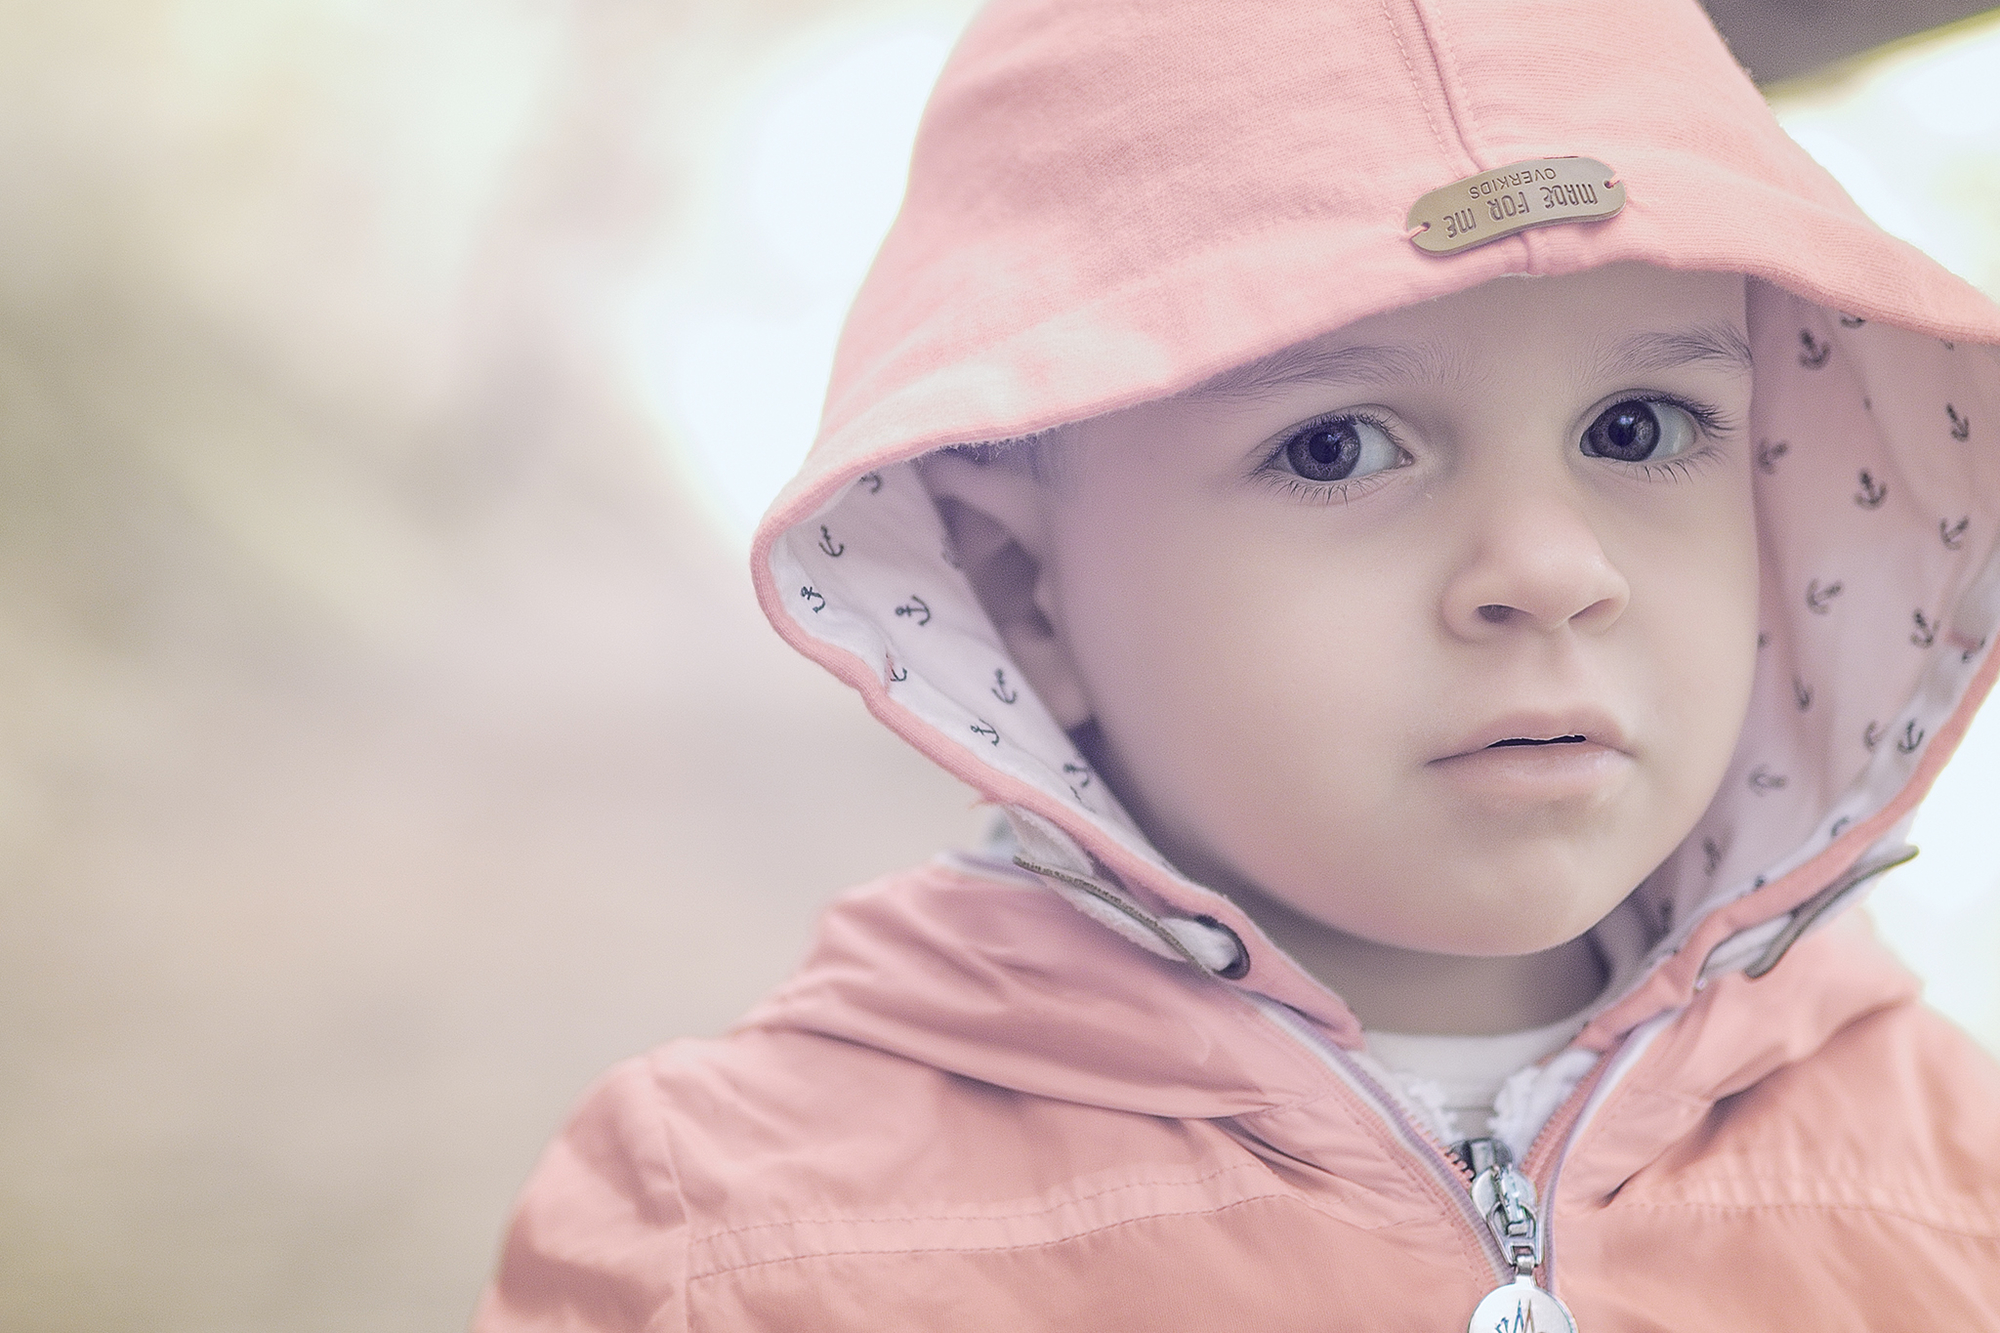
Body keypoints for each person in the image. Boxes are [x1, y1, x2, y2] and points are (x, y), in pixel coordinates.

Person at [476, 0, 2000, 1326]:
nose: (1551, 568)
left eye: (1639, 429)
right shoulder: (743, 1236)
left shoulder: (1956, 1179)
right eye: (1337, 445)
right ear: (1028, 589)